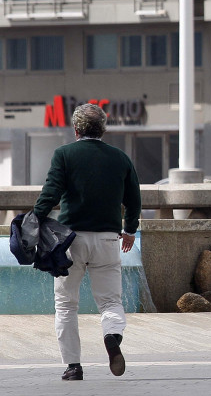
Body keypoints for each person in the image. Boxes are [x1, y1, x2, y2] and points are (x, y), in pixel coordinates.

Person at [33, 103, 141, 381]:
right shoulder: (120, 158)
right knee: (110, 301)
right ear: (103, 129)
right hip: (107, 239)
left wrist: (35, 218)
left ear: (76, 129)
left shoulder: (64, 154)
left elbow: (51, 192)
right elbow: (133, 200)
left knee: (66, 305)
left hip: (70, 240)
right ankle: (112, 334)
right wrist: (129, 230)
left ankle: (73, 366)